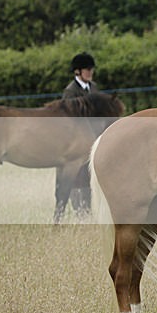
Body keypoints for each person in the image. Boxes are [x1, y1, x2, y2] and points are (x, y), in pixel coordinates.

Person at [63, 52, 98, 214]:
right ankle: (79, 209)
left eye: (91, 69)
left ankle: (89, 207)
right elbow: (72, 118)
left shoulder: (94, 87)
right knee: (78, 174)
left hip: (93, 138)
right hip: (77, 140)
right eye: (87, 69)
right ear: (78, 71)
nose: (90, 72)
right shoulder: (70, 92)